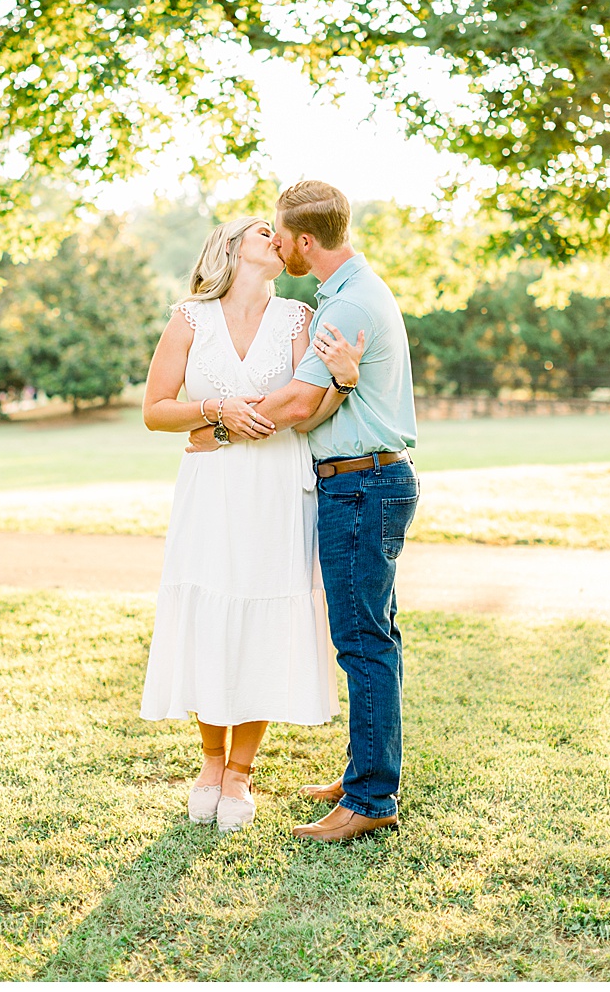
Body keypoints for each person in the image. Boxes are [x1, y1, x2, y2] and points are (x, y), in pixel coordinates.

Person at [185, 180, 419, 843]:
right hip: (362, 482)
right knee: (374, 636)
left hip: (361, 485)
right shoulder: (345, 295)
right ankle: (365, 773)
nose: (276, 241)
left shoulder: (347, 308)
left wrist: (216, 429)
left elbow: (290, 407)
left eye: (280, 233)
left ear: (304, 242)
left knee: (363, 643)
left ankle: (372, 800)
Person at [138, 214, 364, 833]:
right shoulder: (189, 319)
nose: (276, 236)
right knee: (212, 615)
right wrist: (214, 413)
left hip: (275, 488)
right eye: (262, 230)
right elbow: (156, 410)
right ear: (230, 248)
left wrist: (342, 382)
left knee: (266, 615)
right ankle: (210, 764)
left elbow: (308, 407)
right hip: (210, 491)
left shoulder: (297, 318)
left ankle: (240, 772)